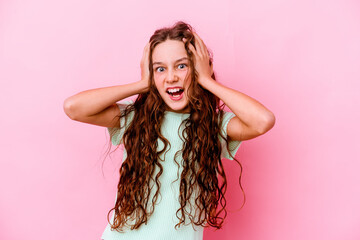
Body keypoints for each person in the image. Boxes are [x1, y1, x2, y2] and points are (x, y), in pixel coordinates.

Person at [63, 21, 275, 240]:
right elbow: (74, 108)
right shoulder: (135, 118)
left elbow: (263, 120)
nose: (171, 77)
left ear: (200, 67)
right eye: (160, 69)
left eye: (182, 66)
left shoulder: (215, 125)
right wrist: (142, 83)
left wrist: (206, 80)